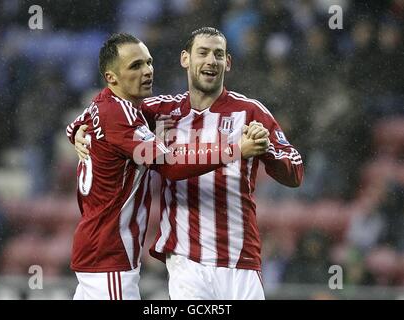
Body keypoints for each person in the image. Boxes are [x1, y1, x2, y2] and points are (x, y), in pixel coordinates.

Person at [73, 27, 303, 299]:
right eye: (202, 53)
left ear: (227, 63)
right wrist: (77, 130)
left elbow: (295, 172)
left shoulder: (250, 112)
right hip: (186, 261)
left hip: (240, 259)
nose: (210, 60)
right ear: (185, 59)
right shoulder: (160, 110)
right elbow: (104, 111)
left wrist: (267, 151)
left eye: (218, 54)